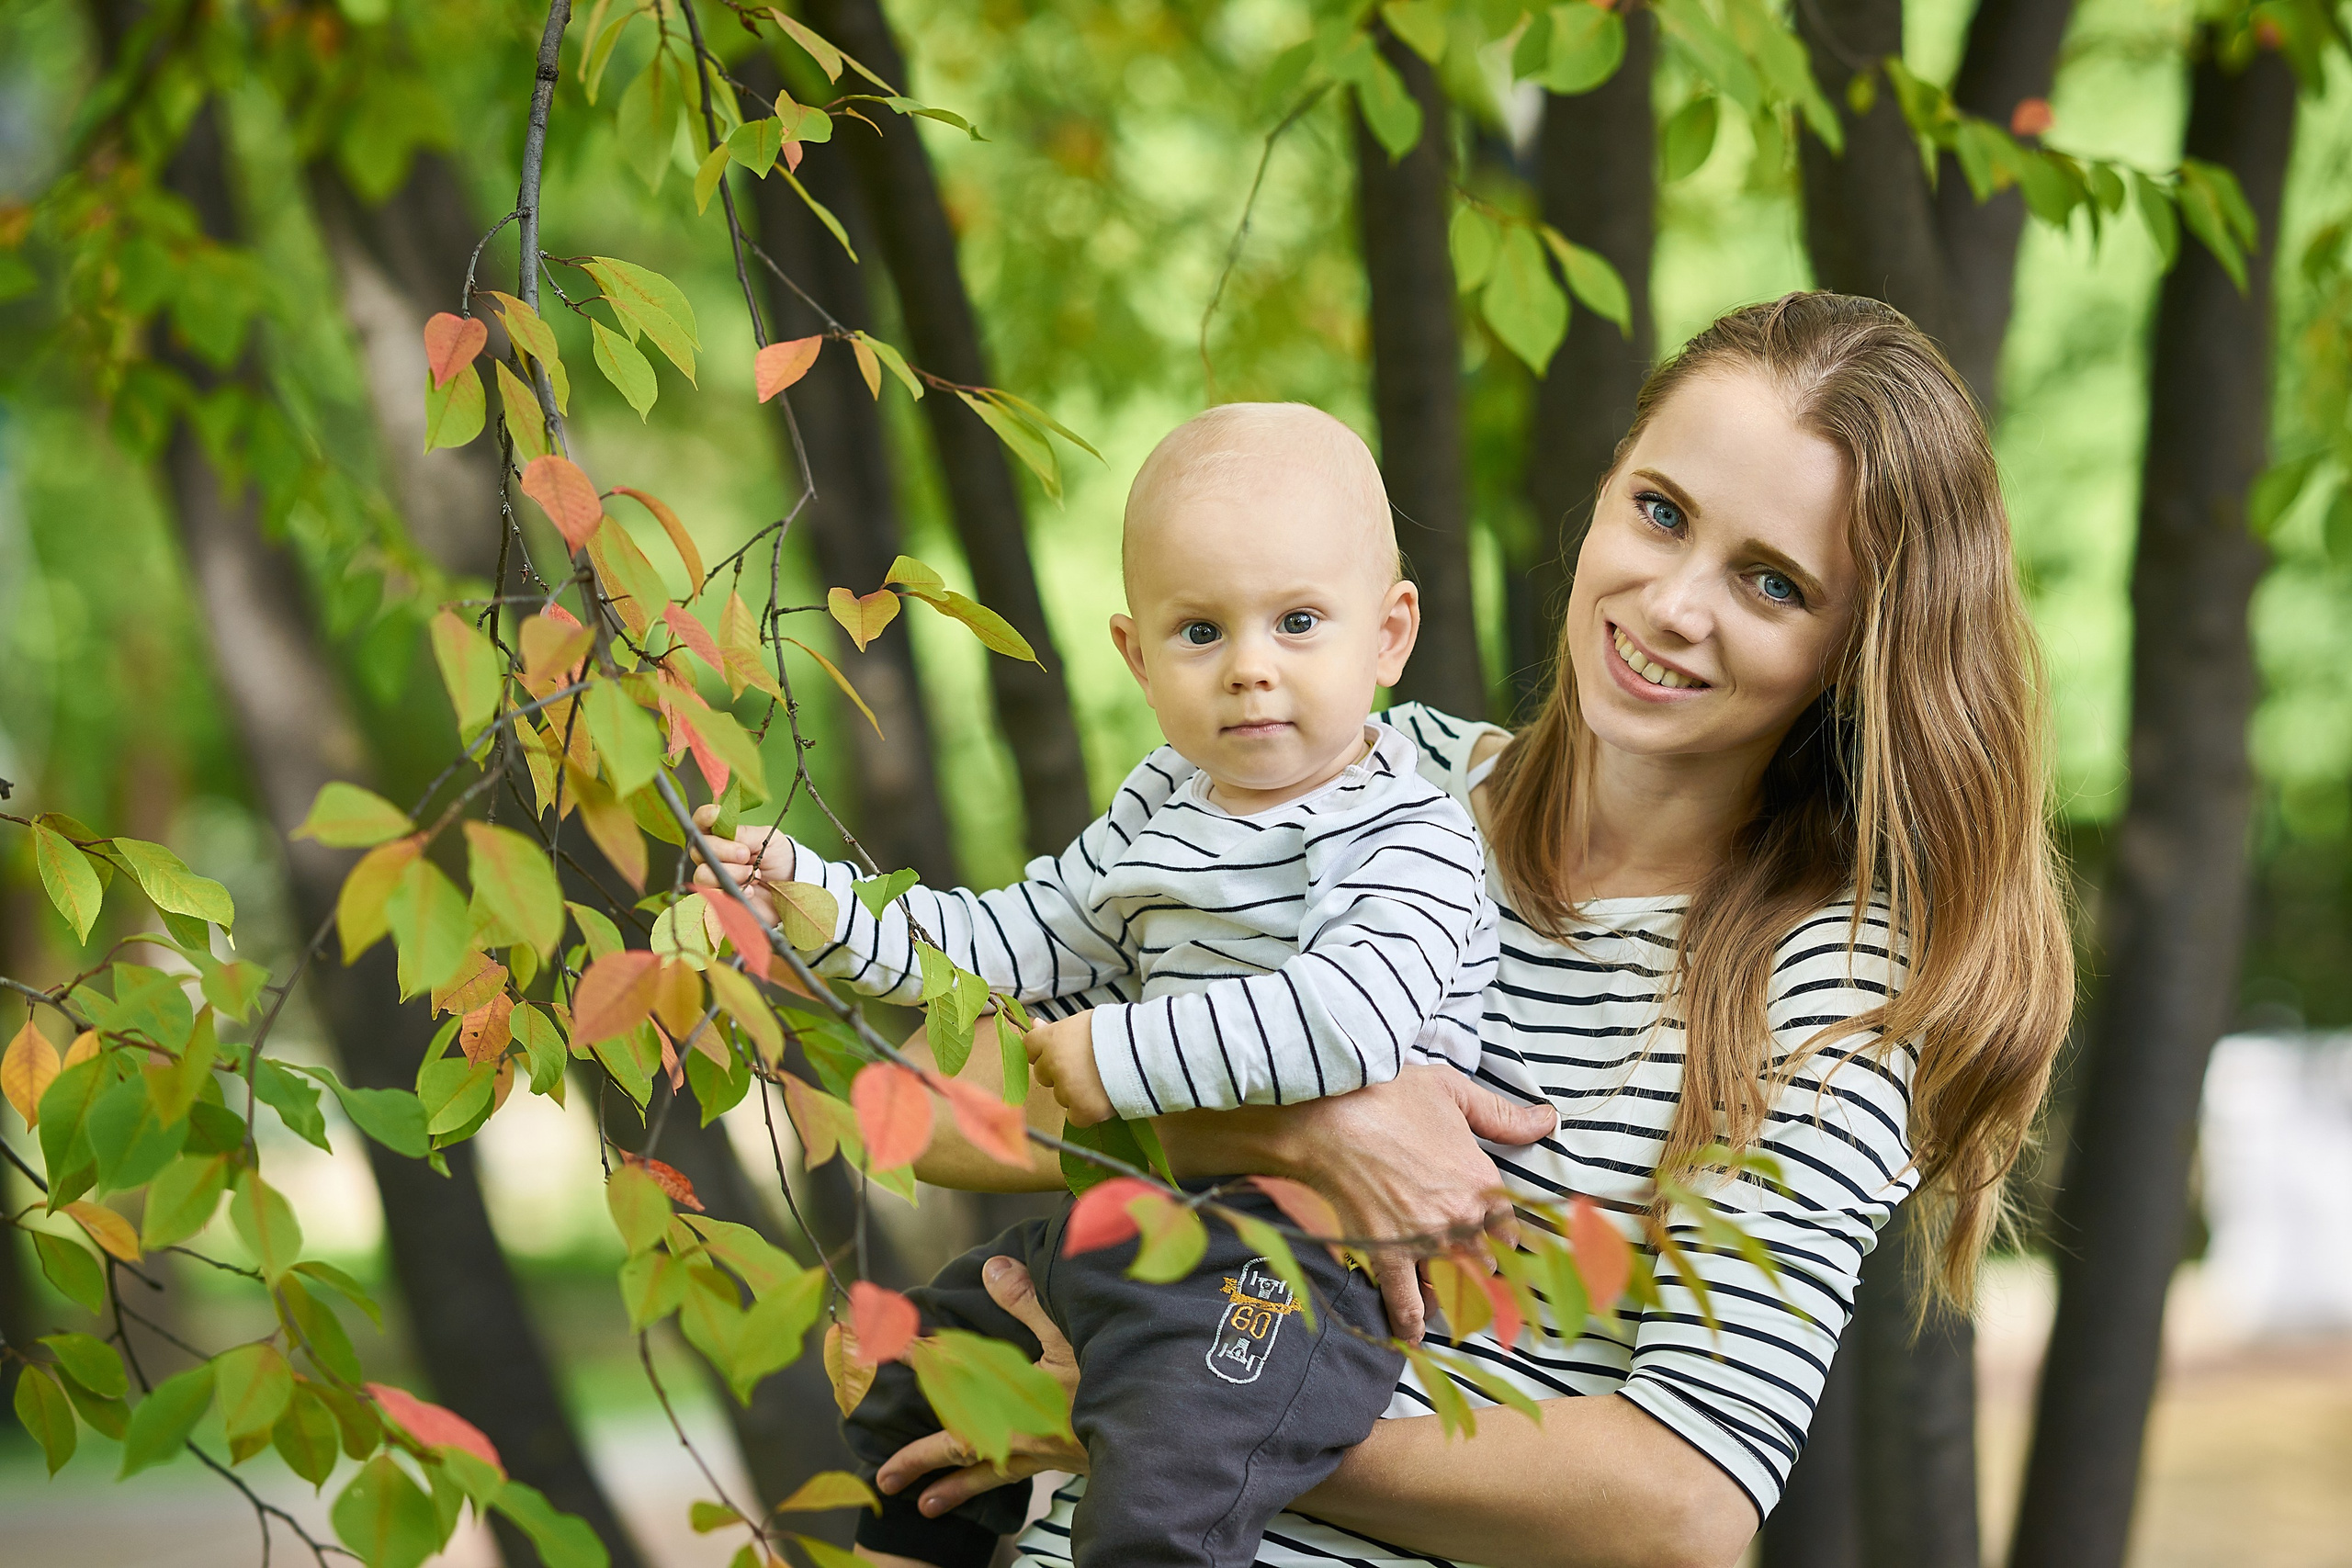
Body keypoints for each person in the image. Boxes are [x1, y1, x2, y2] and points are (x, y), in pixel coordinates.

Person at [857, 294, 2077, 1568]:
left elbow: (1682, 1507)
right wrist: (1293, 1129)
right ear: (1605, 488)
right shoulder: (1363, 776)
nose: (1673, 602)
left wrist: (1164, 1419)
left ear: (1852, 646)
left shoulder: (1825, 984)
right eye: (1661, 512)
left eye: (1771, 583)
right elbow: (919, 1105)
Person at [695, 401, 1501, 1567]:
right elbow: (1008, 940)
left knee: (1154, 1510)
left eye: (1297, 621)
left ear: (1387, 636)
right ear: (1136, 656)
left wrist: (1118, 1057)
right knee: (922, 1375)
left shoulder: (1410, 834)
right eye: (1200, 632)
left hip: (1304, 1267)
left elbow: (1350, 1020)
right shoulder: (1161, 807)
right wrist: (812, 901)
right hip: (1138, 1223)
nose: (1250, 668)